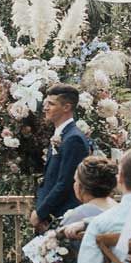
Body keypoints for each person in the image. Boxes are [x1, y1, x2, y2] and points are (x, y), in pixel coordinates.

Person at [30, 86, 90, 229]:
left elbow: (65, 182)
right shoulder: (61, 134)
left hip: (63, 217)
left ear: (66, 107)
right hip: (51, 216)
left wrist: (40, 213)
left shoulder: (73, 139)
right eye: (45, 103)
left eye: (51, 104)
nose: (45, 108)